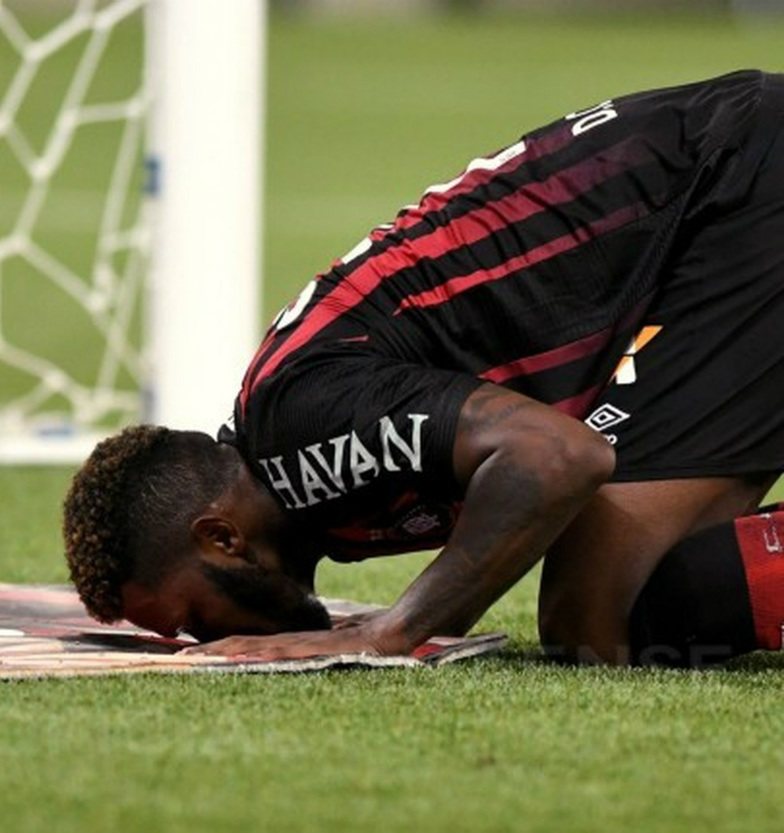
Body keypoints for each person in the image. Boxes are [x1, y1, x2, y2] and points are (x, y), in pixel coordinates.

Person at [62, 69, 784, 668]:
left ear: (221, 537)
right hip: (732, 192)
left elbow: (558, 457)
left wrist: (397, 630)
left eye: (192, 616)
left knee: (599, 616)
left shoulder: (296, 428)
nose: (208, 640)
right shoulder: (300, 448)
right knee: (674, 596)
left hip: (742, 184)